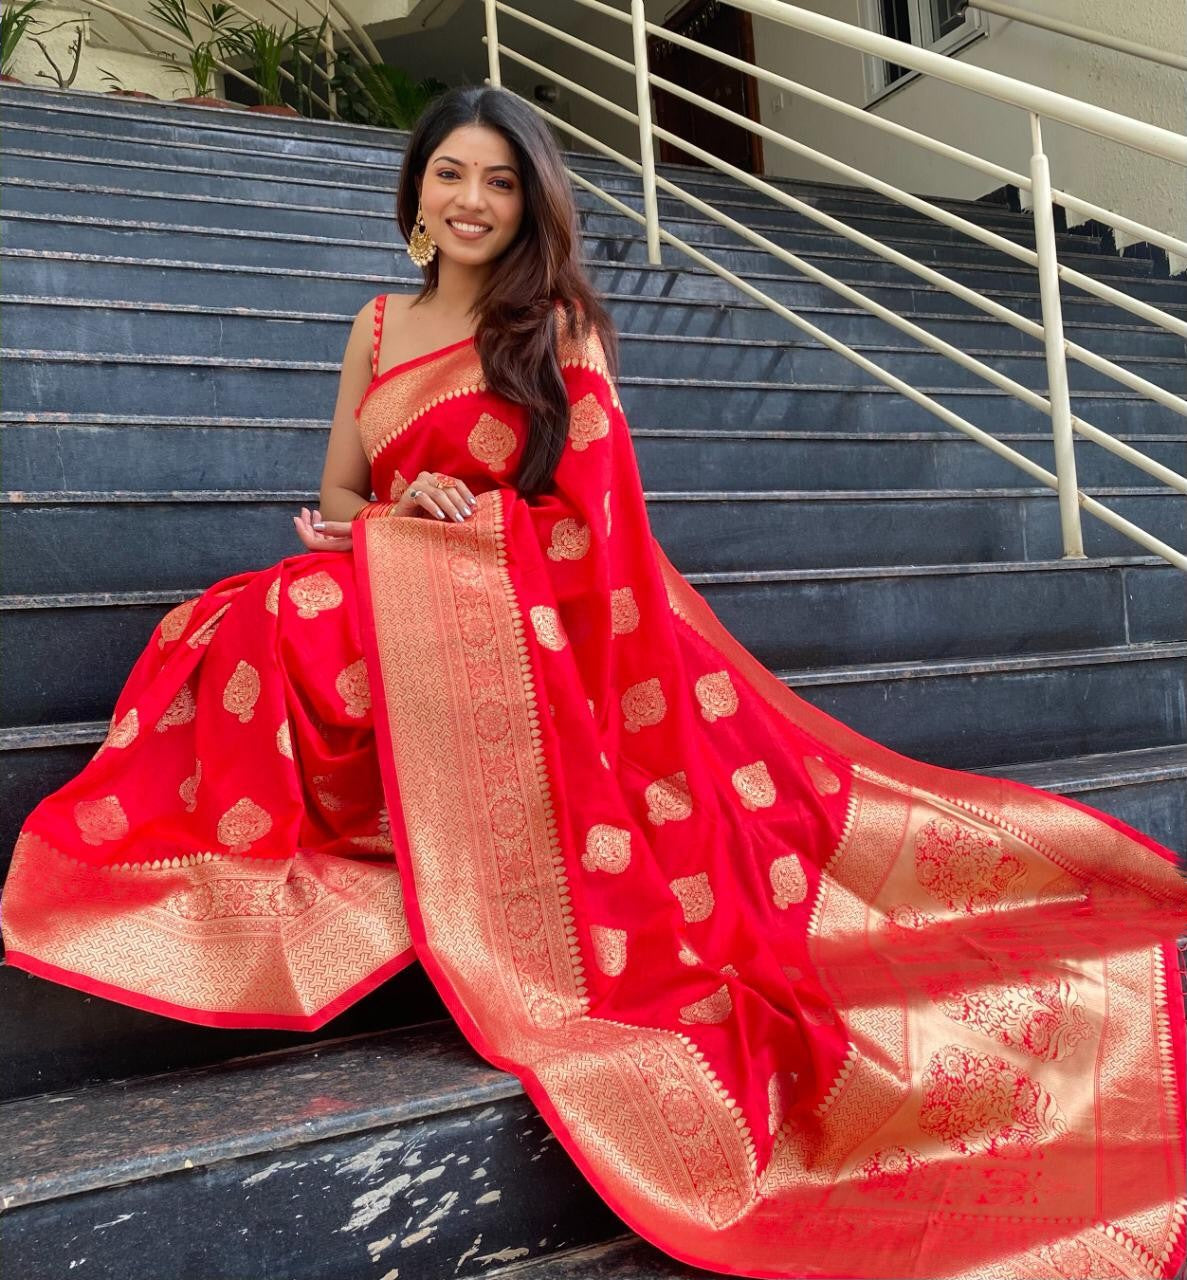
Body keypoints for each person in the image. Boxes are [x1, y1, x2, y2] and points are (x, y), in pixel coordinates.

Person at [2, 85, 1184, 1280]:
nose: (470, 200)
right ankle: (247, 865)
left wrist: (463, 544)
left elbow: (599, 521)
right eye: (451, 174)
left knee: (295, 612)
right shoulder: (374, 326)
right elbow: (343, 497)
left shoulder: (555, 322)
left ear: (531, 202)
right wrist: (400, 512)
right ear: (415, 189)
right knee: (228, 616)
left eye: (499, 181)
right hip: (397, 575)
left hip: (524, 615)